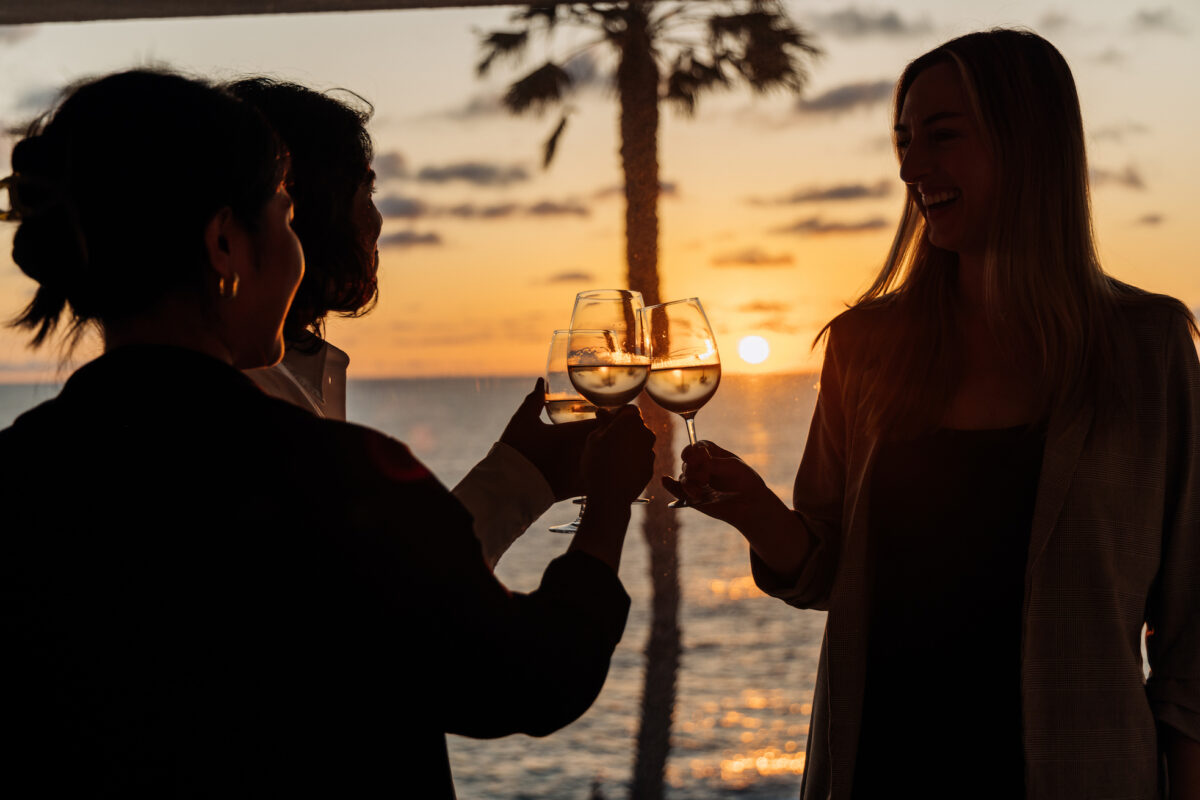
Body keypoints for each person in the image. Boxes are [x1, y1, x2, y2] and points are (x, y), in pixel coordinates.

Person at [0, 69, 655, 797]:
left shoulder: (19, 476)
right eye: (283, 214)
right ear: (224, 244)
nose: (299, 245)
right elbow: (526, 681)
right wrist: (606, 511)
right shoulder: (328, 475)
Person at [665, 29, 1200, 799]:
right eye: (904, 142)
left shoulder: (1145, 351)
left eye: (943, 137)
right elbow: (826, 571)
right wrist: (754, 511)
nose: (913, 168)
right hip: (880, 768)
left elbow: (1193, 634)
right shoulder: (867, 346)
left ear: (1030, 145)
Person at [227, 77, 575, 567]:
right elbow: (380, 618)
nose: (377, 222)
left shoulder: (278, 382)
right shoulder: (248, 410)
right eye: (363, 194)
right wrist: (597, 520)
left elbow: (377, 582)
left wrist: (526, 471)